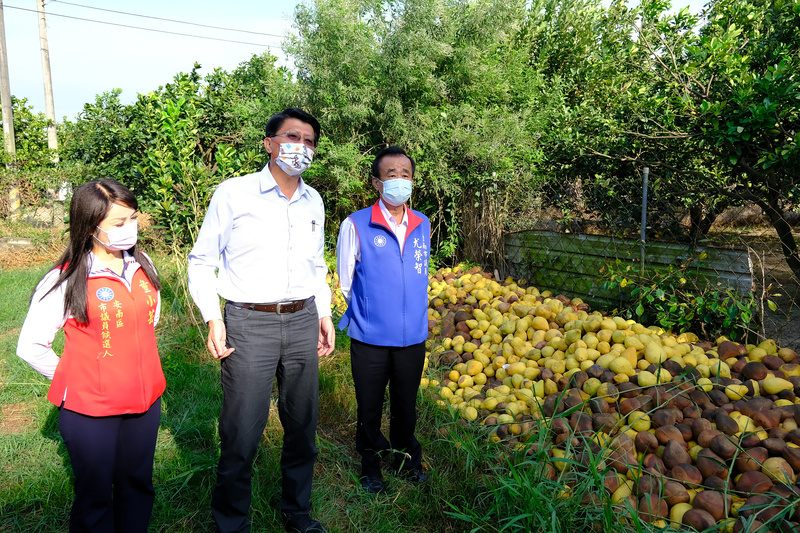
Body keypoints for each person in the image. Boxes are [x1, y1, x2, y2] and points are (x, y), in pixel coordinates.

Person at [187, 107, 334, 533]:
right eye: (292, 137)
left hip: (303, 317)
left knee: (303, 424)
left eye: (309, 141)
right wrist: (214, 318)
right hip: (249, 323)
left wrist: (323, 313)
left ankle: (297, 512)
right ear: (269, 144)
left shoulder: (314, 200)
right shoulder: (234, 193)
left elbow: (315, 266)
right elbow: (201, 262)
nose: (301, 147)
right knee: (242, 430)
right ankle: (231, 522)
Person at [16, 179, 165, 532]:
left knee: (137, 485)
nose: (129, 229)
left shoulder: (143, 267)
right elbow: (31, 346)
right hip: (90, 411)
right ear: (89, 226)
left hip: (145, 404)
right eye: (118, 224)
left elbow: (148, 324)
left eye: (132, 219)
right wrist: (75, 378)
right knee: (95, 496)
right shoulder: (66, 280)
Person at [336, 146, 431, 494]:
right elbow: (346, 281)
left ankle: (406, 460)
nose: (399, 181)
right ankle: (371, 465)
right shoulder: (357, 224)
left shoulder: (423, 224)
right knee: (370, 406)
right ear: (377, 182)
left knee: (407, 404)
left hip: (412, 338)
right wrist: (371, 311)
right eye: (391, 174)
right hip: (370, 338)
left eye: (405, 174)